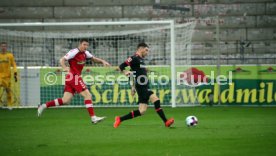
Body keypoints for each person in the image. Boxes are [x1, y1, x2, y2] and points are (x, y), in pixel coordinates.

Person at [38, 39, 110, 124]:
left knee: (66, 100)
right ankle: (93, 118)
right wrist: (64, 68)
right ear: (80, 44)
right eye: (84, 45)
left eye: (87, 45)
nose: (85, 47)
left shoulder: (85, 53)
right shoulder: (74, 52)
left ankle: (43, 106)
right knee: (88, 95)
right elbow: (62, 60)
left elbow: (93, 59)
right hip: (74, 77)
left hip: (71, 78)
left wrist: (102, 61)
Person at [113, 43, 174, 128]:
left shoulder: (141, 60)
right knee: (156, 100)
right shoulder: (134, 58)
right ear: (141, 49)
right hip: (141, 86)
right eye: (146, 50)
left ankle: (120, 119)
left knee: (141, 111)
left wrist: (133, 87)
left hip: (143, 86)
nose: (147, 52)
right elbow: (121, 66)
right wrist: (125, 72)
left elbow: (133, 74)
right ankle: (166, 121)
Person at [0, 42, 17, 108]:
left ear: (6, 47)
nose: (3, 47)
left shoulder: (10, 56)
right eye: (2, 46)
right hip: (0, 76)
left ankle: (10, 105)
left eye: (5, 46)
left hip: (7, 77)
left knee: (8, 91)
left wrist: (15, 73)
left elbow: (14, 65)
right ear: (0, 47)